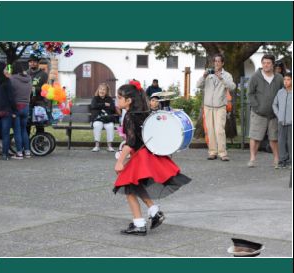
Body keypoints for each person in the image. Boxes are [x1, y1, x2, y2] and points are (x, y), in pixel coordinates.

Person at [113, 80, 191, 236]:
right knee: (136, 185)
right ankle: (154, 212)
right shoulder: (144, 112)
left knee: (128, 188)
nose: (117, 100)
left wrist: (120, 161)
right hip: (148, 155)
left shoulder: (129, 116)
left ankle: (139, 224)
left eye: (119, 98)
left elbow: (131, 142)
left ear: (129, 101)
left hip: (140, 157)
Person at [196, 53, 236, 161]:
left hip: (220, 106)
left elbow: (232, 87)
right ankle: (212, 152)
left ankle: (222, 153)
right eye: (215, 61)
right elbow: (198, 85)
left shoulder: (227, 75)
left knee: (219, 130)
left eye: (219, 61)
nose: (217, 63)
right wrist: (203, 76)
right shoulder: (208, 74)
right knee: (210, 130)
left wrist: (221, 78)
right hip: (208, 106)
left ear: (222, 63)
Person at [247, 54, 284, 168]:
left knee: (274, 138)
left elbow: (283, 93)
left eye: (268, 63)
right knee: (255, 137)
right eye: (264, 63)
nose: (266, 65)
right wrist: (256, 107)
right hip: (258, 113)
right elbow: (250, 94)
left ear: (273, 65)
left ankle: (277, 159)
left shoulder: (279, 78)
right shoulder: (255, 77)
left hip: (274, 114)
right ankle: (252, 159)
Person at [10, 61, 32, 159]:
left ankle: (19, 153)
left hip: (16, 107)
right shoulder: (29, 79)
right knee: (24, 130)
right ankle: (27, 152)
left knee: (17, 131)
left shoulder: (12, 79)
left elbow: (10, 93)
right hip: (26, 106)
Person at [0, 61, 17, 160]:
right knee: (5, 134)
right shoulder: (7, 81)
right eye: (5, 68)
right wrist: (14, 110)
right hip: (6, 111)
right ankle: (5, 154)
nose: (6, 70)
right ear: (2, 69)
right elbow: (11, 98)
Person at [272, 72, 292, 168]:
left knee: (290, 142)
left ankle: (290, 161)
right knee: (281, 141)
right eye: (284, 80)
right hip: (281, 121)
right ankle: (282, 161)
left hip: (291, 122)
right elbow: (274, 104)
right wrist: (278, 114)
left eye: (288, 79)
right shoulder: (280, 92)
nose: (286, 82)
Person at [90, 83, 116, 152]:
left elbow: (112, 108)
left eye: (104, 89)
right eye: (100, 89)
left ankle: (109, 146)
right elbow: (93, 106)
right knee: (97, 125)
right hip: (98, 118)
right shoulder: (95, 98)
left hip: (107, 119)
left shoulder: (109, 99)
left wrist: (99, 106)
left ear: (106, 91)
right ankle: (97, 145)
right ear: (98, 90)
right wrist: (104, 104)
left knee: (110, 126)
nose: (102, 91)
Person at [26, 54, 48, 134]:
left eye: (34, 62)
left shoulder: (44, 74)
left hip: (39, 102)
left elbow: (45, 88)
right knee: (26, 125)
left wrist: (34, 89)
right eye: (30, 62)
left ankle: (39, 144)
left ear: (38, 63)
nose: (32, 63)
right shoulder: (26, 74)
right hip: (27, 102)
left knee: (40, 125)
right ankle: (26, 144)